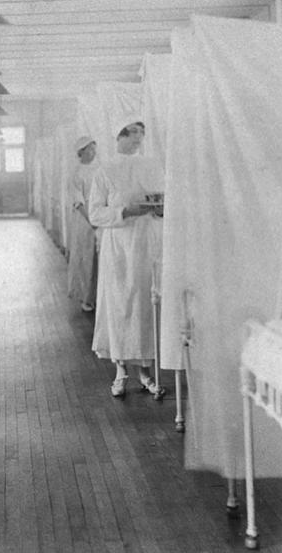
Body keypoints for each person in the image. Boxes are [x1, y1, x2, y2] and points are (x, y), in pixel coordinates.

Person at [88, 121, 164, 398]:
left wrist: (159, 209)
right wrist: (125, 212)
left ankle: (145, 371)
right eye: (132, 133)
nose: (138, 139)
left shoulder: (151, 165)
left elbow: (162, 203)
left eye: (141, 134)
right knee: (120, 305)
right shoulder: (105, 170)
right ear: (118, 135)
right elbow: (95, 214)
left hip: (146, 244)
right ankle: (120, 370)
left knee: (145, 305)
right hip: (119, 247)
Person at [68, 135, 100, 312]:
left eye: (95, 149)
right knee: (85, 258)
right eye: (90, 150)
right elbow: (78, 202)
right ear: (82, 152)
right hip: (84, 219)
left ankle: (97, 296)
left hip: (97, 217)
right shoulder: (77, 173)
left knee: (97, 259)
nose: (93, 153)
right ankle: (86, 297)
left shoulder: (98, 170)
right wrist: (92, 220)